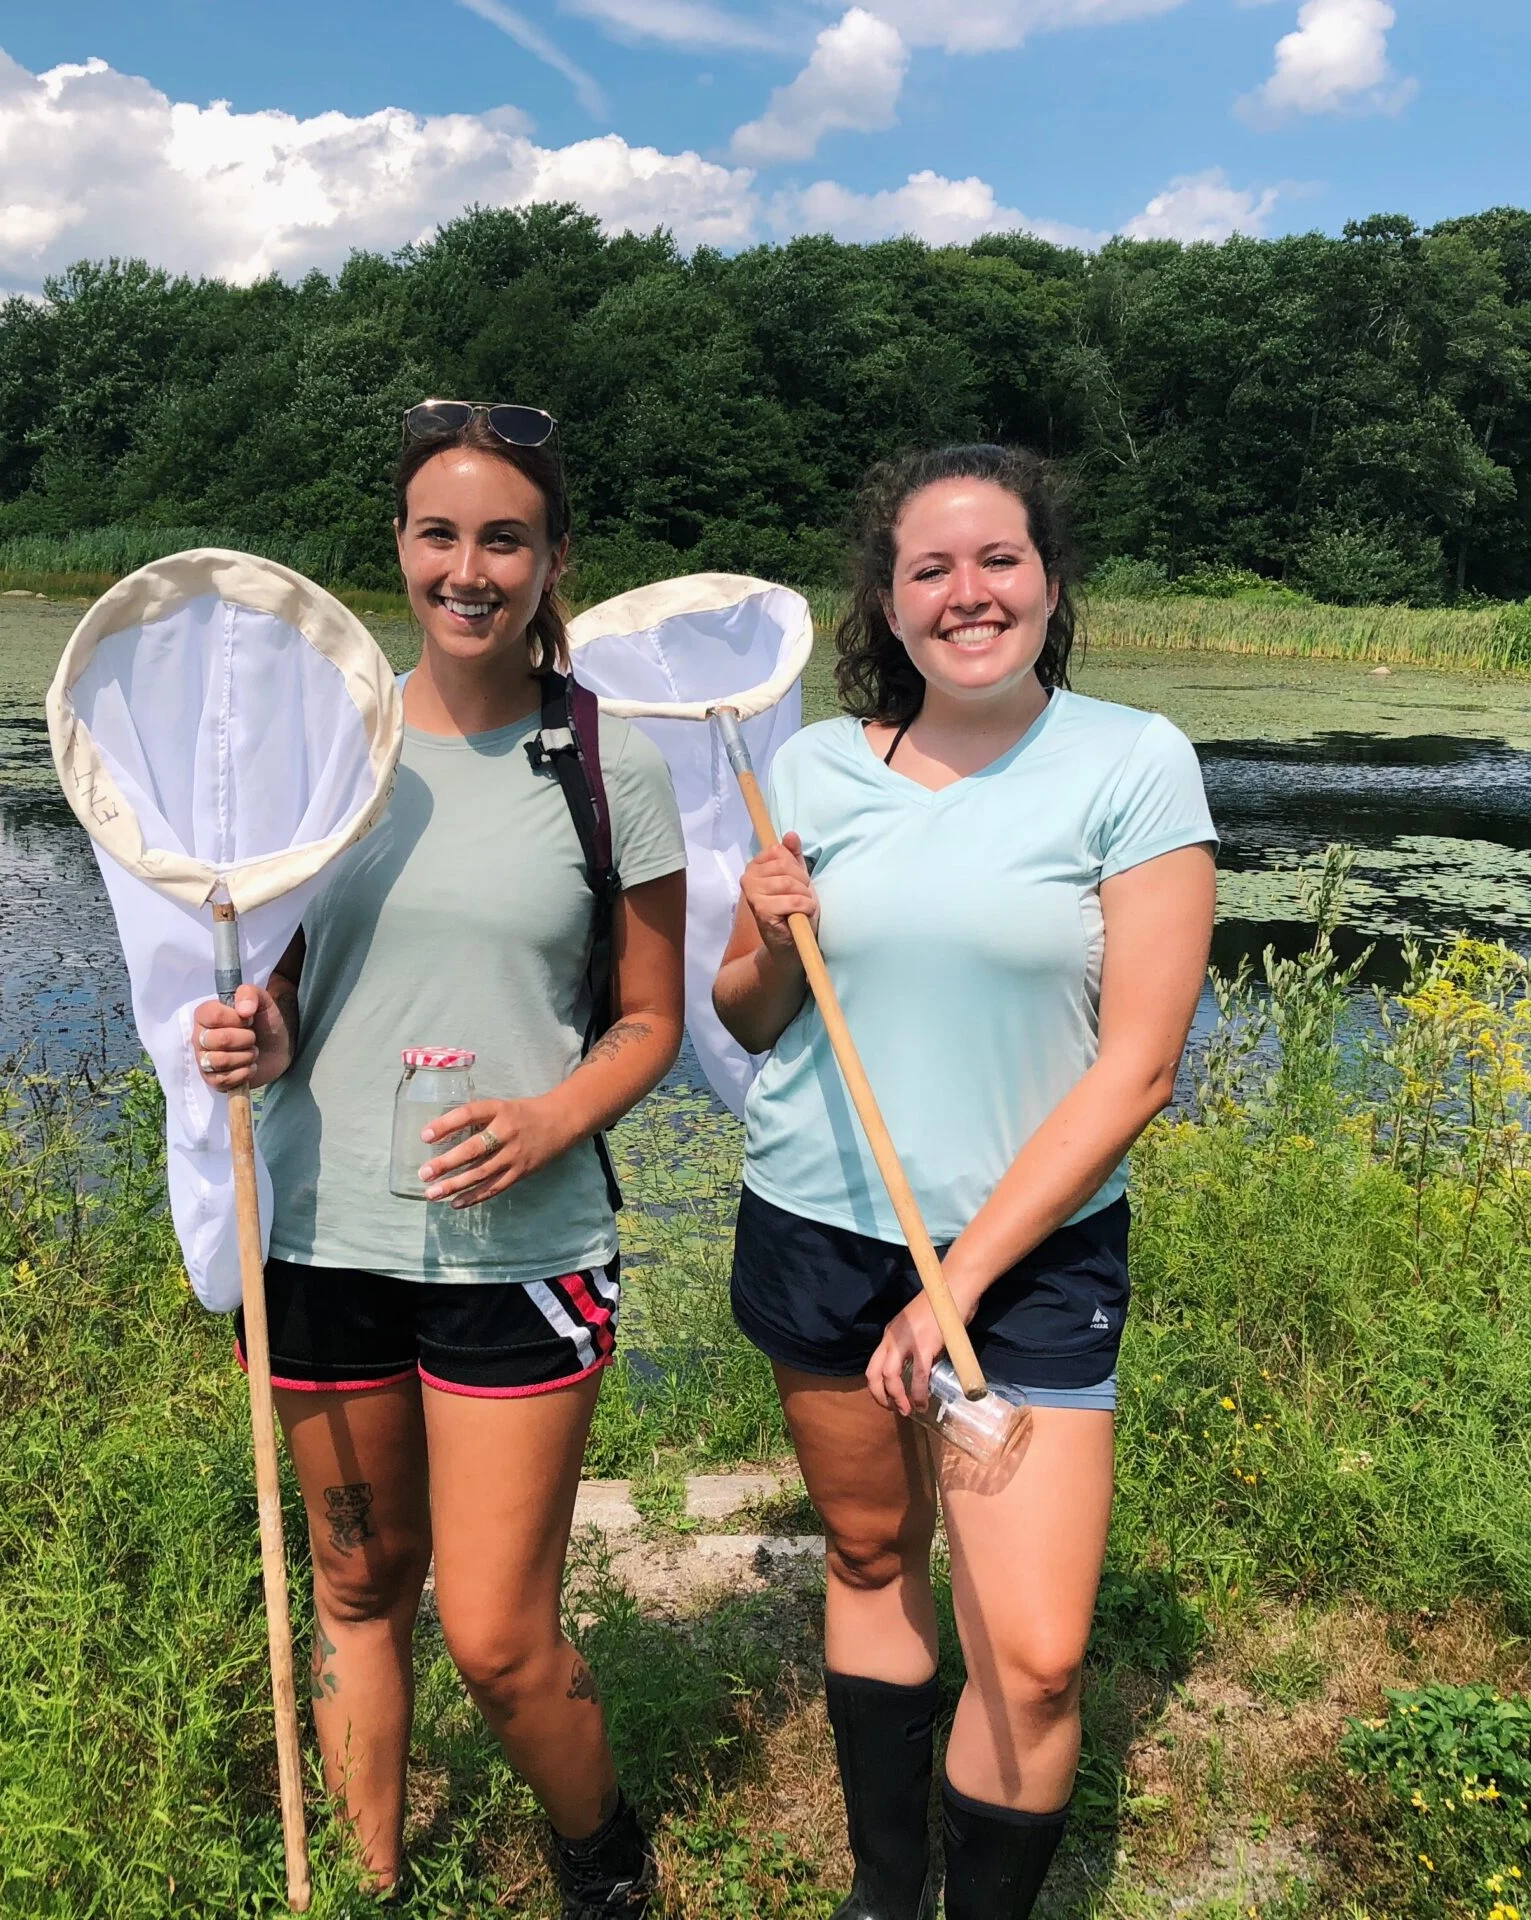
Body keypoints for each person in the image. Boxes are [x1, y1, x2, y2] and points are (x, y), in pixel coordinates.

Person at [192, 401, 687, 1917]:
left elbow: (652, 1021)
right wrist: (256, 1031)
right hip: (321, 1236)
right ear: (399, 552)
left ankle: (605, 1862)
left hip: (518, 1257)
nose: (467, 569)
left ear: (552, 563)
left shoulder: (612, 766)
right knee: (353, 1587)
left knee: (495, 1632)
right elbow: (280, 974)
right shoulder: (323, 759)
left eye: (504, 538)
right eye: (438, 534)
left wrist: (549, 1118)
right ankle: (369, 1887)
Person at [714, 444, 1217, 1920]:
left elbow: (1136, 1070)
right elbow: (753, 1021)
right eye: (929, 568)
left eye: (998, 559)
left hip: (1028, 1261)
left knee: (1040, 1651)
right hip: (819, 1223)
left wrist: (960, 1286)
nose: (967, 592)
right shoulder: (811, 767)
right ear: (887, 599)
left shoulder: (1133, 760)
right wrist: (758, 933)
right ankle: (885, 1895)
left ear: (1051, 584)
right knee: (872, 1552)